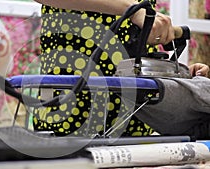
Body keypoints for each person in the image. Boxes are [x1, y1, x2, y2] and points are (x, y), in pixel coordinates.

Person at [31, 0, 207, 137]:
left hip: (138, 118)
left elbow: (137, 45)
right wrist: (132, 9)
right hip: (73, 110)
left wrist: (177, 76)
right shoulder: (135, 8)